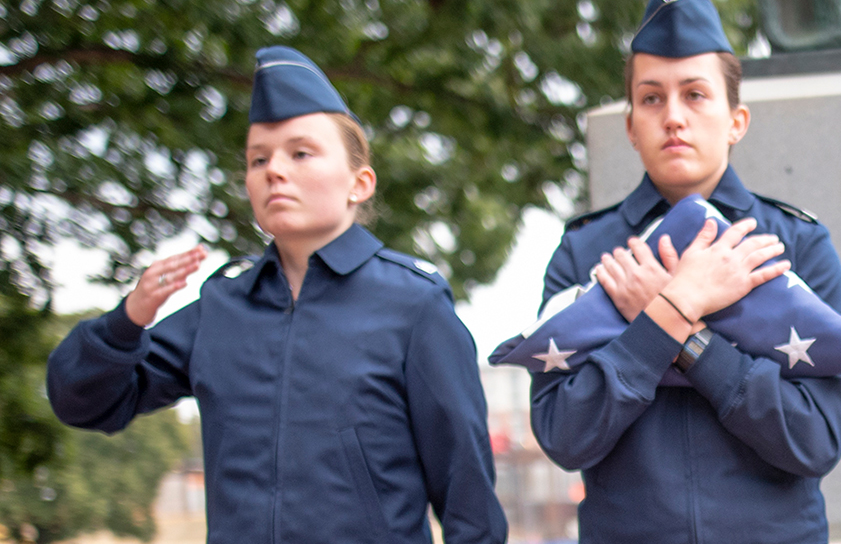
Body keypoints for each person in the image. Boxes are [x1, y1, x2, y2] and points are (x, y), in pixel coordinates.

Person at [44, 46, 508, 543]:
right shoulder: (222, 306)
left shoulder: (413, 305)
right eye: (257, 159)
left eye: (300, 152)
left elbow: (468, 494)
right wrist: (126, 322)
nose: (274, 171)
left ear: (360, 182)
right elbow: (84, 402)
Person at [526, 0, 841, 543]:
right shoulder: (585, 251)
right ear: (631, 126)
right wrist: (673, 312)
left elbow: (815, 439)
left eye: (695, 94)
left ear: (736, 121)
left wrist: (679, 334)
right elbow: (564, 434)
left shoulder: (795, 243)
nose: (673, 117)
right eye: (651, 98)